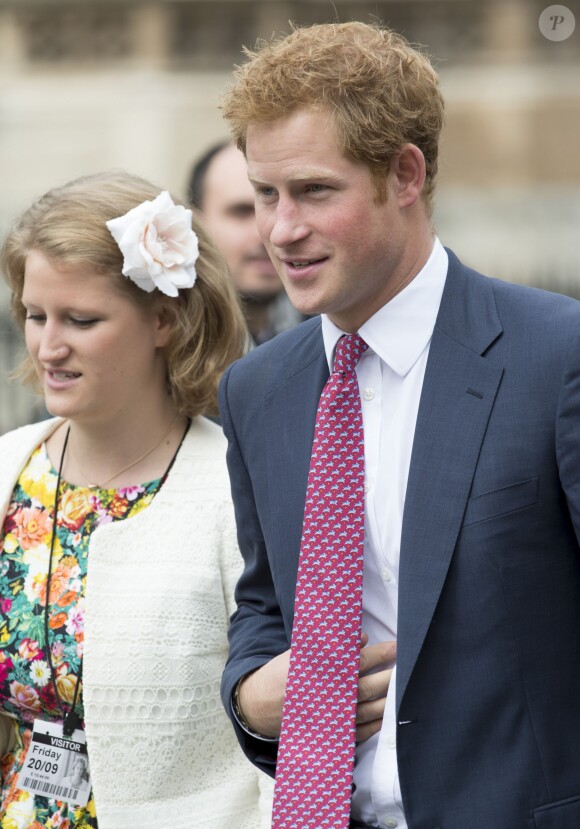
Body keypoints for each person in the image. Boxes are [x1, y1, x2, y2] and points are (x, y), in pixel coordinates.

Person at [217, 21, 580, 829]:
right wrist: (251, 694)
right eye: (265, 195)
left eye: (313, 191)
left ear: (405, 174)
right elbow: (264, 608)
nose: (280, 230)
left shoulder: (556, 356)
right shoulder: (255, 389)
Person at [0, 171, 273, 829]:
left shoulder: (235, 487)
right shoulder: (10, 464)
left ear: (164, 318)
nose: (48, 346)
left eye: (81, 319)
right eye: (36, 315)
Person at [188, 141, 305, 345]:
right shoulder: (166, 342)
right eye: (241, 212)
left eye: (275, 208)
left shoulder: (335, 333)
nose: (270, 233)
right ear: (196, 225)